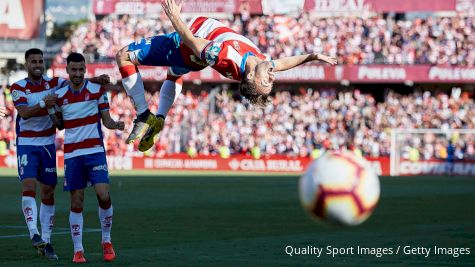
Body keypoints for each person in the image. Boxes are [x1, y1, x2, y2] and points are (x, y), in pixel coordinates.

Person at [116, 0, 337, 152]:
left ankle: (144, 115)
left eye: (266, 81)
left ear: (250, 77)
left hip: (182, 47)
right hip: (195, 60)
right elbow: (284, 64)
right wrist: (313, 56)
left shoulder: (224, 55)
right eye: (271, 80)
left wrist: (174, 17)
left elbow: (191, 41)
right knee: (174, 75)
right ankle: (160, 118)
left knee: (124, 56)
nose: (272, 77)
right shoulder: (261, 64)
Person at [11, 48, 110, 260]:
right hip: (27, 143)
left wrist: (95, 78)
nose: (37, 64)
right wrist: (42, 103)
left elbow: (76, 83)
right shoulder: (18, 87)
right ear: (27, 64)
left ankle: (46, 241)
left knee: (48, 191)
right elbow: (24, 113)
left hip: (48, 142)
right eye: (33, 61)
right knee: (28, 185)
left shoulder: (55, 83)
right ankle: (34, 233)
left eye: (40, 61)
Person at [49, 53, 124, 263]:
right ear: (67, 70)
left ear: (85, 70)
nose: (77, 73)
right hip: (73, 155)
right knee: (77, 201)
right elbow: (60, 125)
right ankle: (78, 249)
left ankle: (106, 240)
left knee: (103, 195)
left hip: (94, 152)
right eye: (74, 69)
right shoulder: (60, 95)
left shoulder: (97, 91)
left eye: (81, 69)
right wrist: (49, 109)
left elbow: (107, 121)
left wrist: (116, 125)